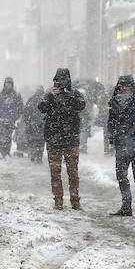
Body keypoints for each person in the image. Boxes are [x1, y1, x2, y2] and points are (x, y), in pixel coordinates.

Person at [38, 69, 85, 210]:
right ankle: (58, 200)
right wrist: (51, 96)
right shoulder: (50, 94)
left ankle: (75, 200)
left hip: (71, 140)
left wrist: (70, 95)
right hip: (54, 140)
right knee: (55, 172)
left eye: (64, 79)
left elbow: (81, 105)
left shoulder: (75, 94)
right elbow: (41, 107)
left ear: (69, 80)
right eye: (58, 79)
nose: (61, 82)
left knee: (73, 173)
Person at [107, 75, 135, 217]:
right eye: (122, 86)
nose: (124, 88)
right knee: (122, 175)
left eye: (127, 85)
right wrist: (112, 137)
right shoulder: (114, 102)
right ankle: (126, 205)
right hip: (122, 143)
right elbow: (111, 122)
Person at [0, 77, 23, 158]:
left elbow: (20, 106)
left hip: (10, 119)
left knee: (8, 135)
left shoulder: (16, 94)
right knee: (0, 135)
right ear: (4, 84)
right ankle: (0, 150)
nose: (8, 85)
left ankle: (7, 151)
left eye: (9, 84)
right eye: (7, 83)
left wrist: (15, 116)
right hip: (0, 118)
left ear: (12, 85)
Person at [22, 85, 46, 164]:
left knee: (33, 141)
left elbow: (26, 112)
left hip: (34, 124)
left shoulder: (31, 99)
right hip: (40, 124)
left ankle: (34, 155)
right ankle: (38, 157)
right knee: (40, 142)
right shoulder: (45, 99)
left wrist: (27, 121)